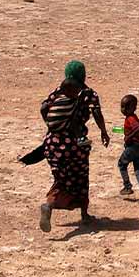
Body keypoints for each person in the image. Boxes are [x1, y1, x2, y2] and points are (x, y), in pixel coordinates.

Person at [37, 60, 109, 232]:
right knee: (81, 177)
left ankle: (50, 204)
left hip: (53, 145)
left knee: (61, 179)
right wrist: (104, 131)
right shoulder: (88, 93)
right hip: (75, 145)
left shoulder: (59, 91)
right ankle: (84, 214)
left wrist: (51, 125)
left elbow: (44, 107)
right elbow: (96, 112)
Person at [116, 94, 139, 197]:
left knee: (122, 164)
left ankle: (127, 186)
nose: (123, 109)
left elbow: (138, 127)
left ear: (134, 108)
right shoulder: (132, 117)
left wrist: (128, 137)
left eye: (126, 107)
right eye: (122, 106)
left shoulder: (130, 118)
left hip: (133, 147)